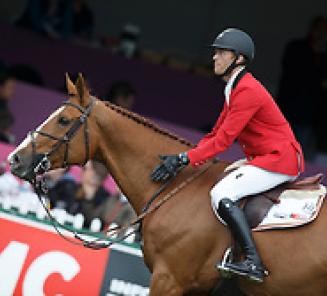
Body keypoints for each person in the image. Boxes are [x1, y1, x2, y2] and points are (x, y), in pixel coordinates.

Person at [150, 28, 304, 283]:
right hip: (264, 156)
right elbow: (214, 134)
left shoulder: (248, 91)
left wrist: (184, 159)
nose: (215, 57)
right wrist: (184, 156)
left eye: (221, 53)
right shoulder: (235, 87)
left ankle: (253, 262)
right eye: (216, 53)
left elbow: (222, 142)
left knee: (221, 193)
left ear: (239, 59)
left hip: (280, 159)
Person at [277, 16, 327, 159]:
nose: (322, 33)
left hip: (310, 115)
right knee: (279, 148)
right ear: (313, 29)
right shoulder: (297, 47)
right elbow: (294, 73)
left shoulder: (324, 57)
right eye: (320, 29)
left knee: (298, 156)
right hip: (289, 107)